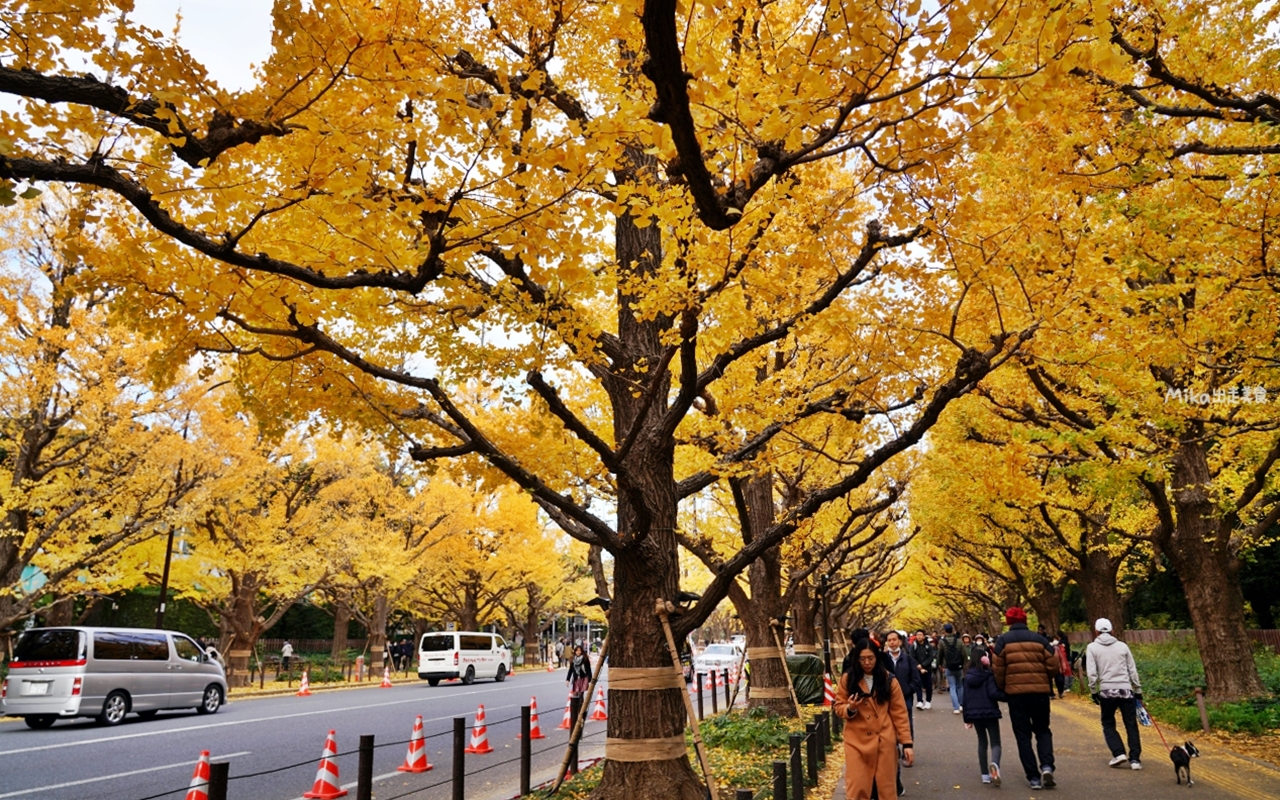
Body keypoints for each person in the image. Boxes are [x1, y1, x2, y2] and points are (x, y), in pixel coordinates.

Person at [835, 639, 913, 800]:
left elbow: (900, 714)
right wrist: (851, 708)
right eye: (862, 659)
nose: (867, 662)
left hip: (884, 741)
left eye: (870, 658)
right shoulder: (848, 679)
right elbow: (838, 706)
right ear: (856, 659)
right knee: (858, 787)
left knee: (884, 789)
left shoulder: (888, 679)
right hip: (856, 741)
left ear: (877, 658)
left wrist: (907, 743)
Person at [992, 607, 1059, 790]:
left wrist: (1004, 687)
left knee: (1023, 736)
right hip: (1040, 693)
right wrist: (1045, 679)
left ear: (1008, 622)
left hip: (1016, 694)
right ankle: (1046, 766)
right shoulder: (1040, 639)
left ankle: (1033, 778)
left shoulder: (1003, 641)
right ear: (1025, 620)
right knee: (1043, 730)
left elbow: (998, 670)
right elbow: (1054, 665)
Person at [1084, 618, 1144, 770]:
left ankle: (1119, 753)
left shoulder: (1092, 647)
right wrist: (1137, 690)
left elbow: (1092, 673)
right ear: (1112, 631)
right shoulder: (1122, 646)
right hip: (1126, 690)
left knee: (1108, 723)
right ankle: (1135, 759)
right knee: (1130, 724)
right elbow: (1132, 670)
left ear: (1096, 631)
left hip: (1107, 691)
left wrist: (1093, 691)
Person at [963, 644, 1006, 787]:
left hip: (975, 714)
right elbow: (994, 693)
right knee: (995, 742)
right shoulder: (989, 675)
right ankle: (994, 763)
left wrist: (967, 718)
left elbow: (965, 699)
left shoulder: (967, 677)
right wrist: (1008, 696)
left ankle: (985, 775)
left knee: (982, 741)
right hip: (990, 712)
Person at [883, 631, 922, 738]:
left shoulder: (908, 659)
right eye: (889, 640)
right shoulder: (882, 659)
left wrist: (908, 690)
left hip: (905, 697)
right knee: (889, 725)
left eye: (894, 640)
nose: (892, 642)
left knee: (906, 724)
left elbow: (916, 679)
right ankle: (894, 749)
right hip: (887, 698)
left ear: (900, 641)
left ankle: (907, 747)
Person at [938, 623, 968, 714]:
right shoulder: (959, 641)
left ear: (944, 631)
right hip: (958, 666)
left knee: (952, 687)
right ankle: (961, 705)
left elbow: (940, 654)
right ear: (953, 630)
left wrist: (940, 664)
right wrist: (963, 664)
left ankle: (956, 708)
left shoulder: (942, 642)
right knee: (960, 686)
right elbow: (964, 654)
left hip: (948, 667)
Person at [910, 630, 936, 710]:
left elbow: (931, 657)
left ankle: (928, 701)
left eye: (921, 635)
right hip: (917, 668)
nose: (919, 636)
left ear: (924, 636)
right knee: (918, 684)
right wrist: (918, 665)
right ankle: (919, 701)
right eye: (917, 635)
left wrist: (923, 665)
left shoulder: (928, 646)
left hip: (927, 668)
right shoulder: (913, 645)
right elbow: (912, 656)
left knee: (928, 685)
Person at [1051, 631, 1073, 698]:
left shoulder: (1060, 645)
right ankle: (1066, 687)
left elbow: (1062, 656)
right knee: (1066, 675)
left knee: (1064, 675)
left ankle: (1065, 687)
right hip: (1064, 661)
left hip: (1061, 663)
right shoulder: (1063, 643)